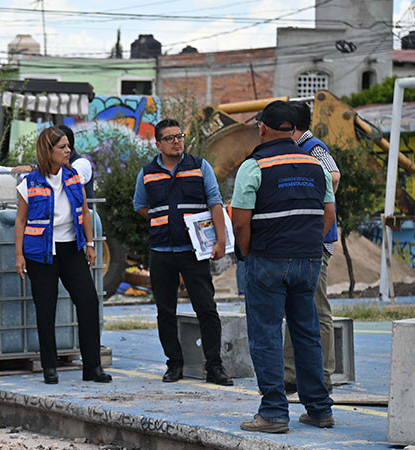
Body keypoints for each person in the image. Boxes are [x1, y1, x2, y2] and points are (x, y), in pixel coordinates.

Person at [231, 100, 335, 433]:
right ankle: (319, 409)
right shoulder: (316, 164)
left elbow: (240, 222)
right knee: (307, 333)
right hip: (308, 261)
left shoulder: (254, 166)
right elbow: (328, 214)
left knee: (266, 336)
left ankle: (274, 412)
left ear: (263, 127)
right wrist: (306, 245)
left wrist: (247, 254)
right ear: (292, 129)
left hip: (267, 260)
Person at [132, 118, 233, 386]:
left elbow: (215, 203)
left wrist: (219, 242)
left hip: (194, 252)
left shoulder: (200, 167)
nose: (177, 141)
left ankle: (215, 366)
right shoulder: (147, 173)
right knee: (165, 311)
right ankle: (173, 364)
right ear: (158, 144)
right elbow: (140, 205)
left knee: (207, 308)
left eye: (180, 136)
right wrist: (164, 220)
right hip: (161, 251)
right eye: (170, 138)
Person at [14, 126, 111, 385]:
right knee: (46, 309)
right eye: (63, 147)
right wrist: (19, 256)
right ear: (48, 151)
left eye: (68, 146)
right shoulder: (29, 184)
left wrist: (90, 244)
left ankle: (93, 367)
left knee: (89, 302)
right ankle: (50, 368)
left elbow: (85, 212)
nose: (69, 151)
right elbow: (20, 221)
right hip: (40, 254)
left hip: (71, 250)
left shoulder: (73, 177)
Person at [283, 101, 341, 395]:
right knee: (294, 308)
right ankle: (291, 374)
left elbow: (333, 175)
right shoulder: (295, 149)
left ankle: (324, 376)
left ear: (291, 127)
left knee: (317, 309)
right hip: (300, 240)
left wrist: (310, 200)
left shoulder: (314, 148)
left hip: (316, 241)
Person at [0, 125, 95, 200]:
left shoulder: (82, 164)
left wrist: (34, 168)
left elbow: (69, 177)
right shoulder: (45, 171)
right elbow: (22, 174)